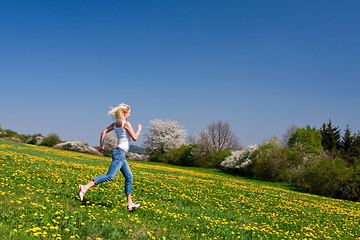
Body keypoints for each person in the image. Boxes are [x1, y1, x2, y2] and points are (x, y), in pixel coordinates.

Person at [79, 103, 142, 210]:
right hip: (120, 153)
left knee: (129, 177)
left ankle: (130, 203)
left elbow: (103, 132)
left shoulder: (115, 124)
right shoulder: (126, 124)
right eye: (129, 113)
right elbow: (135, 138)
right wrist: (139, 129)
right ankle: (85, 187)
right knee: (110, 176)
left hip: (119, 153)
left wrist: (101, 146)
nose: (130, 115)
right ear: (125, 114)